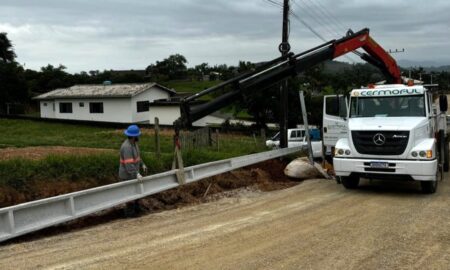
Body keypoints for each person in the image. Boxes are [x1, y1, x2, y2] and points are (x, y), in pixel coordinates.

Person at [119, 124, 148, 216]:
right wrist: (136, 174)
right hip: (127, 175)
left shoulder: (134, 144)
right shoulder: (127, 147)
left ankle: (136, 210)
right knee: (130, 195)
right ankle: (129, 213)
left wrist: (142, 164)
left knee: (136, 192)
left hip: (134, 174)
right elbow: (129, 165)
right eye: (137, 135)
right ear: (134, 136)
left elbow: (137, 157)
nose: (139, 136)